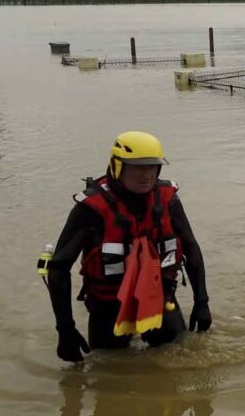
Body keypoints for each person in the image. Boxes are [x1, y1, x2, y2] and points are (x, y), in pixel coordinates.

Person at [47, 131, 211, 362]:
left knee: (178, 358)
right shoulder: (90, 210)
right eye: (137, 168)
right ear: (117, 166)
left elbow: (192, 248)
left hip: (158, 296)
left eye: (152, 167)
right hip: (108, 304)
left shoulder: (167, 199)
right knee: (108, 370)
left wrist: (201, 303)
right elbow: (58, 268)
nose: (146, 175)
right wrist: (65, 330)